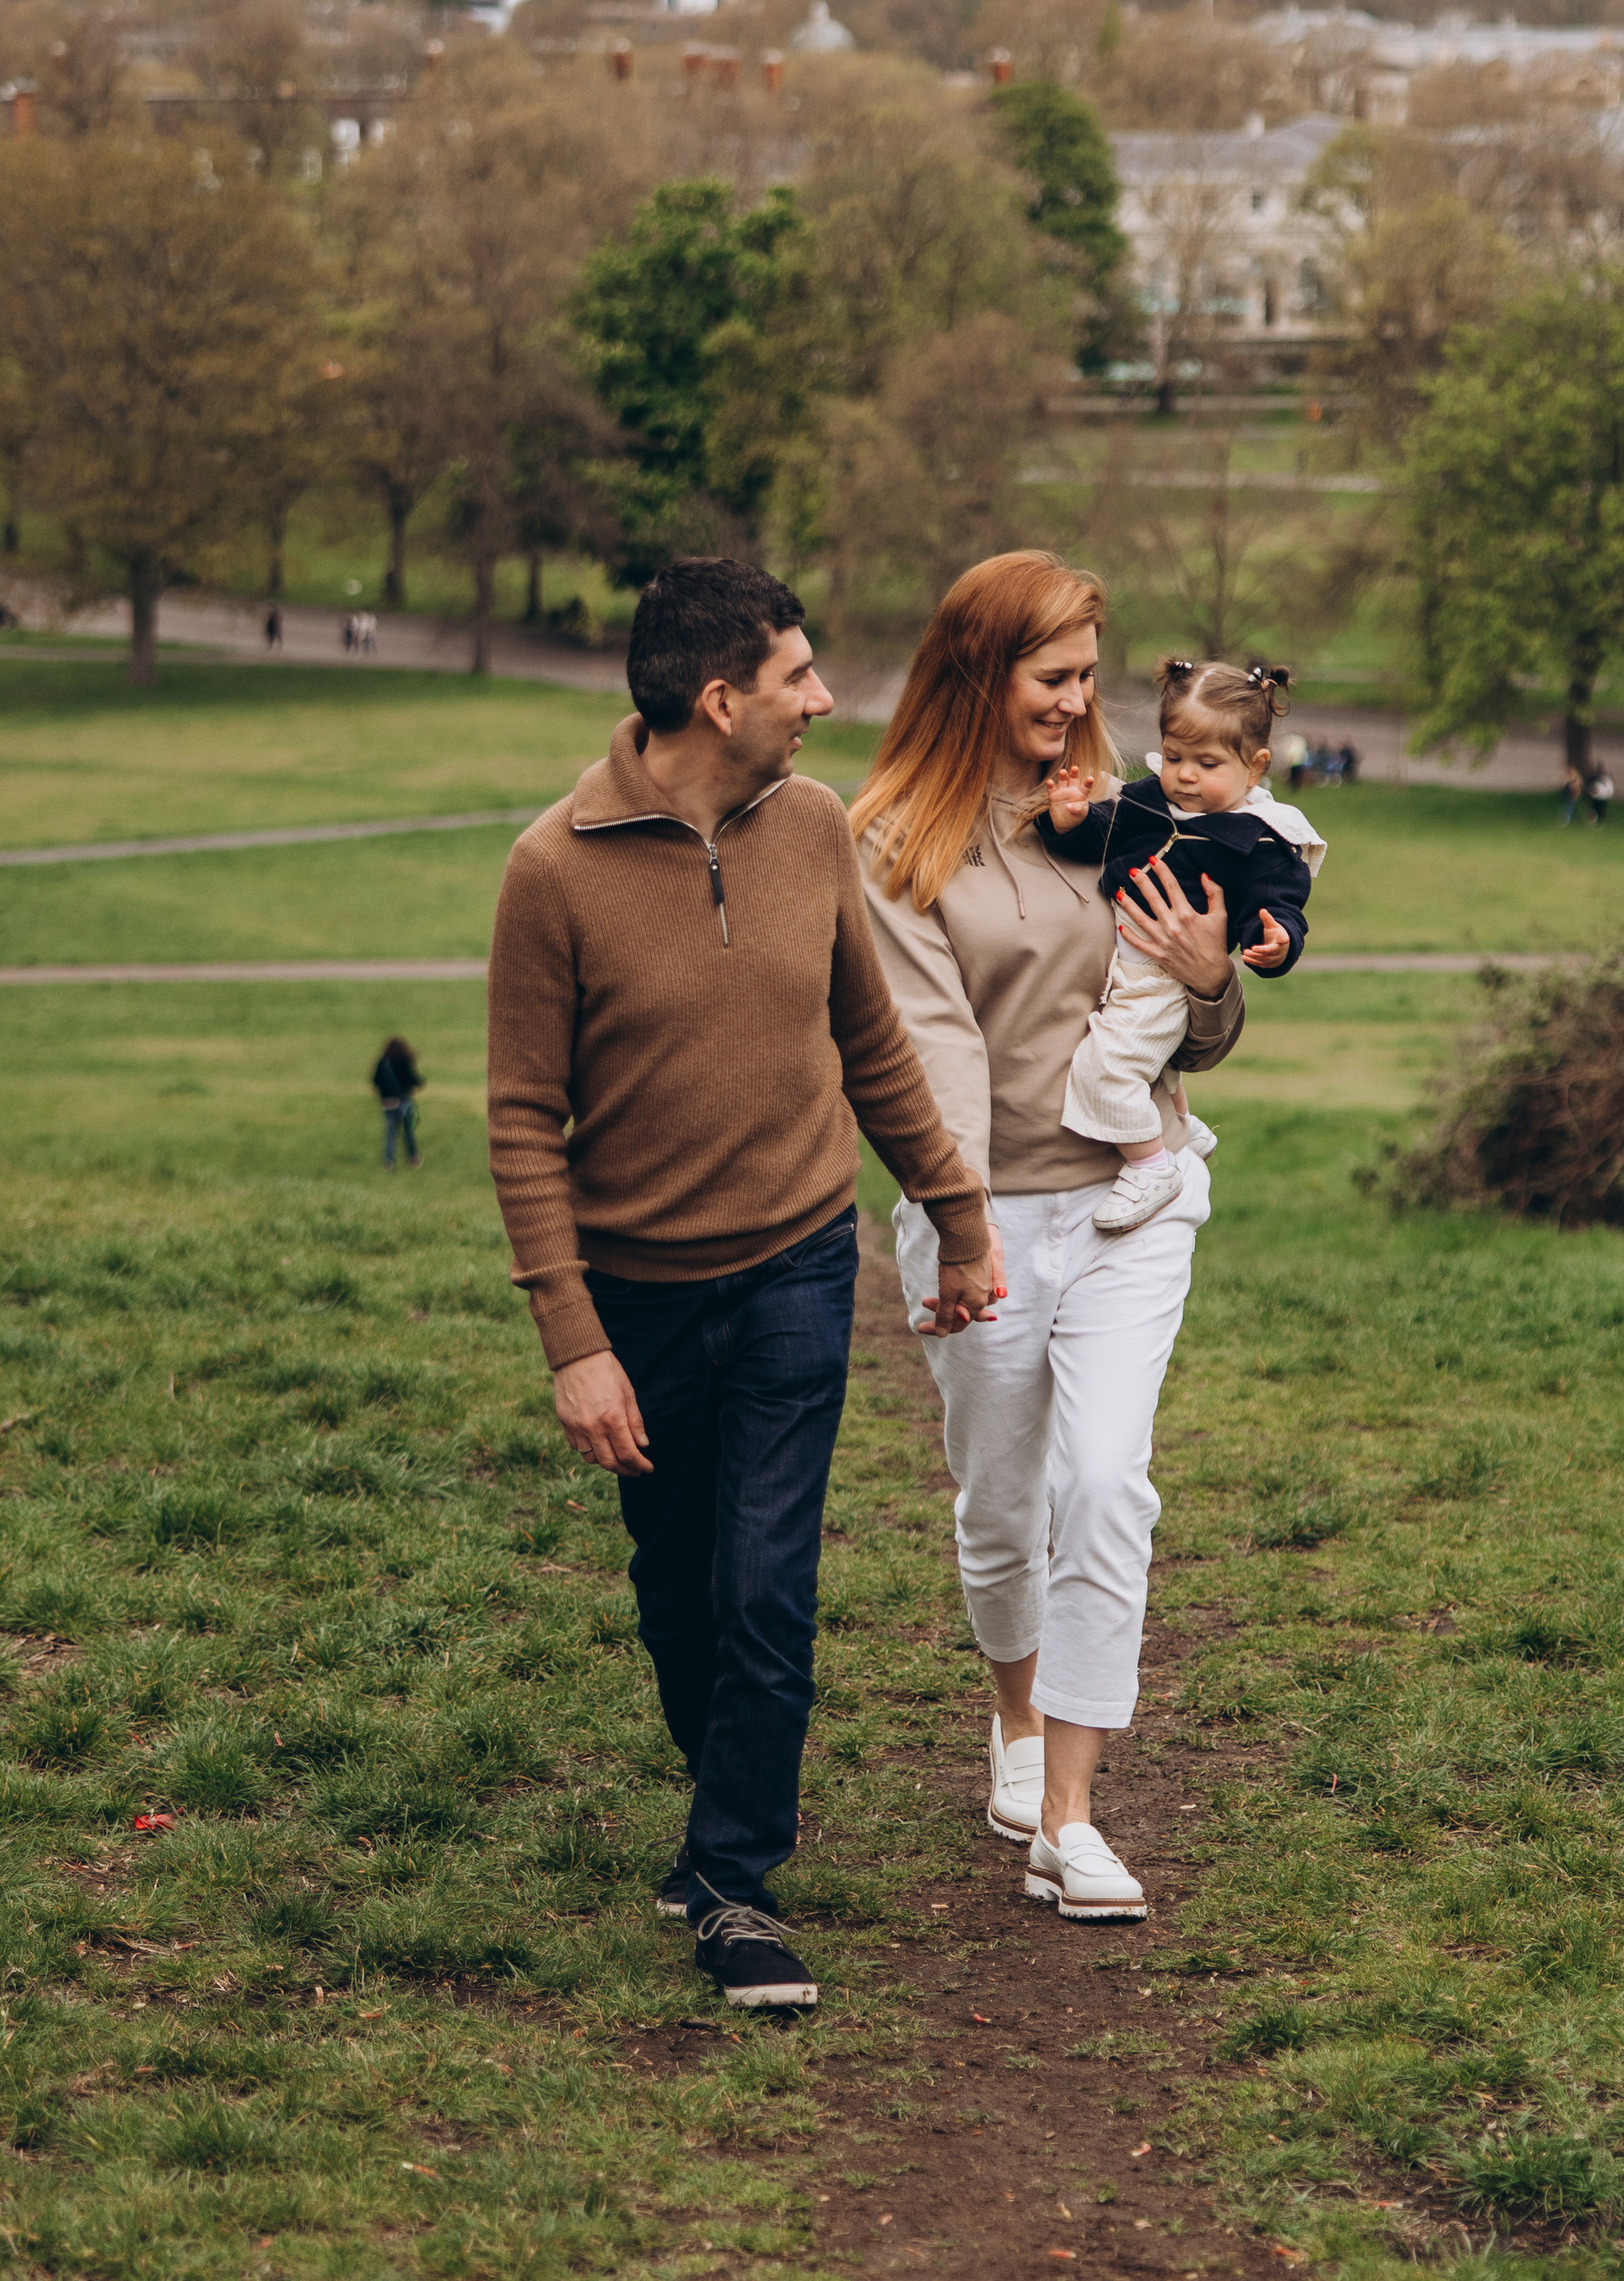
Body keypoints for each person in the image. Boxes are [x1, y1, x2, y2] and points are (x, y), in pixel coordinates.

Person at [487, 556, 992, 2015]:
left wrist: (954, 1211)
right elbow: (525, 1118)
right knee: (683, 1591)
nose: (826, 701)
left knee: (770, 1588)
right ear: (722, 699)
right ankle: (720, 1811)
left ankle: (734, 1885)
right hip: (639, 1296)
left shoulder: (815, 827)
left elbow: (873, 1041)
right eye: (800, 676)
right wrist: (573, 1340)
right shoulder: (553, 870)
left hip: (793, 1263)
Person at [852, 553, 1274, 1930]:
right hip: (981, 1216)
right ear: (981, 671)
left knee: (1105, 1483)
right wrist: (965, 1227)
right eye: (1055, 677)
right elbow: (923, 1054)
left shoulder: (1129, 815)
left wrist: (1216, 984)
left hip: (1130, 1197)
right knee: (1000, 1500)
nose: (1080, 700)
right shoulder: (896, 839)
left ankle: (1074, 1820)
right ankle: (1016, 1711)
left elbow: (1183, 1007)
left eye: (1092, 674)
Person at [1040, 656, 1322, 1236]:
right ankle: (1180, 1124)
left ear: (1257, 765)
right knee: (1148, 1059)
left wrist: (1279, 940)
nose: (1185, 775)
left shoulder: (1261, 841)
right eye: (1173, 757)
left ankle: (1151, 1165)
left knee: (1105, 1068)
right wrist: (1067, 821)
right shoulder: (1148, 802)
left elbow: (1281, 904)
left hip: (1168, 978)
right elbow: (1100, 834)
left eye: (1207, 763)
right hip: (1126, 965)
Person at [372, 1035, 424, 1165]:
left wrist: (384, 1094)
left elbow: (375, 1080)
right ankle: (413, 1158)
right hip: (403, 1102)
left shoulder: (383, 1062)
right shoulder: (404, 1060)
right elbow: (411, 1079)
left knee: (390, 1133)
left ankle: (389, 1161)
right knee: (408, 1131)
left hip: (388, 1103)